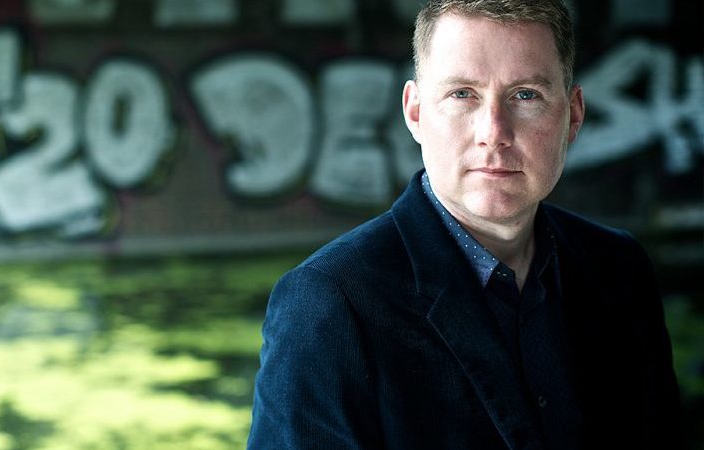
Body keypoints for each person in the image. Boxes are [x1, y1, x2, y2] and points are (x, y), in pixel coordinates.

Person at [246, 1, 685, 449]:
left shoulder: (620, 268)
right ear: (415, 112)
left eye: (525, 95)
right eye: (462, 94)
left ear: (573, 115)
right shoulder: (328, 302)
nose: (493, 132)